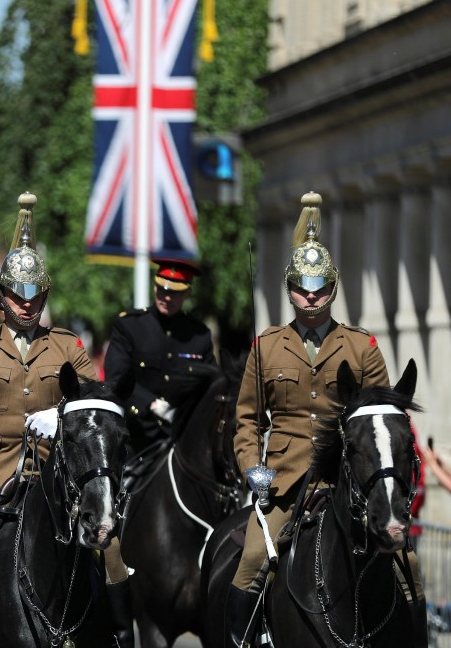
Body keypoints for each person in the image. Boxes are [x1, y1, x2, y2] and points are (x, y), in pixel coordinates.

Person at [0, 193, 135, 648]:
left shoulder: (67, 347)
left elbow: (93, 403)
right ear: (1, 296)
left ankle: (121, 634)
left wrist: (60, 416)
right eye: (18, 294)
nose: (27, 304)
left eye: (36, 295)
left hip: (54, 475)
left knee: (108, 547)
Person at [227, 192, 426, 647]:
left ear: (332, 287)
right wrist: (251, 469)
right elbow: (246, 421)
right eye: (302, 286)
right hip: (284, 481)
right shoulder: (267, 346)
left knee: (407, 565)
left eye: (319, 286)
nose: (310, 296)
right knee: (253, 560)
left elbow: (383, 414)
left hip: (348, 483)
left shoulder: (361, 347)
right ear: (289, 288)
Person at [103, 258, 214, 444]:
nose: (167, 297)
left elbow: (210, 384)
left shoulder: (199, 335)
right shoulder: (130, 325)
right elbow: (116, 376)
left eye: (175, 293)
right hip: (137, 434)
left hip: (183, 436)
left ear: (187, 293)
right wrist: (151, 404)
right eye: (163, 290)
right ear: (155, 288)